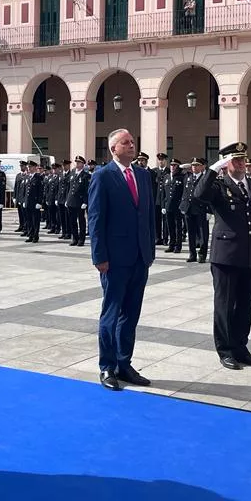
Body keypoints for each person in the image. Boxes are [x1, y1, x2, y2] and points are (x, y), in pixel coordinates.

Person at [88, 128, 155, 391]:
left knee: (131, 314)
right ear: (113, 148)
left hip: (140, 257)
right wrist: (100, 256)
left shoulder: (142, 175)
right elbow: (95, 218)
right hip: (114, 260)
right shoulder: (103, 176)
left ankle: (124, 363)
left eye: (132, 141)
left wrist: (149, 250)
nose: (131, 145)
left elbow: (148, 216)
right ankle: (107, 366)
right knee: (112, 314)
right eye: (125, 142)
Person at [193, 142, 251, 370]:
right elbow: (199, 195)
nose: (241, 164)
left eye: (243, 159)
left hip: (250, 255)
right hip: (225, 256)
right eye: (235, 160)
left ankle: (240, 347)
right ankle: (225, 350)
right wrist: (213, 169)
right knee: (225, 305)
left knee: (246, 304)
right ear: (226, 164)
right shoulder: (217, 186)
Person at [181, 158, 210, 263]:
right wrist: (183, 206)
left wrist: (209, 211)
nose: (194, 167)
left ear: (202, 167)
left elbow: (209, 195)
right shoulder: (188, 177)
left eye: (197, 165)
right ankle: (192, 254)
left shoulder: (206, 178)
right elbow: (184, 192)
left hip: (201, 209)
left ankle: (202, 254)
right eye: (193, 165)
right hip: (189, 209)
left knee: (203, 234)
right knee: (191, 233)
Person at [65, 156, 90, 247]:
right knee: (72, 221)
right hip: (71, 201)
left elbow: (87, 190)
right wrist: (67, 199)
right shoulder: (72, 173)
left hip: (80, 202)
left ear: (83, 164)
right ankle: (74, 238)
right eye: (76, 162)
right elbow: (69, 187)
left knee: (81, 221)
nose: (77, 164)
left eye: (79, 162)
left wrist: (85, 202)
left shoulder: (86, 175)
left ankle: (81, 239)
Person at [161, 159, 185, 253]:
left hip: (177, 206)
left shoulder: (181, 177)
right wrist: (163, 205)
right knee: (169, 226)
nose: (172, 167)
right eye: (171, 165)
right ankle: (171, 244)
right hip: (168, 206)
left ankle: (178, 246)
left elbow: (184, 192)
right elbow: (163, 192)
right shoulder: (166, 177)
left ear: (178, 167)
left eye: (175, 165)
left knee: (178, 227)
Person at [24, 160, 44, 243]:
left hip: (35, 202)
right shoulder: (28, 177)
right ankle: (30, 235)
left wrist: (39, 202)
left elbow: (41, 191)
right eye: (28, 167)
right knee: (29, 220)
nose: (29, 168)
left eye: (31, 167)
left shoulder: (38, 177)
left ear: (35, 168)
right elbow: (26, 190)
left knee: (35, 220)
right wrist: (24, 200)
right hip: (28, 202)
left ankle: (35, 236)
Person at [14, 161, 29, 234]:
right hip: (19, 197)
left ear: (26, 167)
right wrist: (14, 197)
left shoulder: (27, 175)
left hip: (24, 198)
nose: (21, 167)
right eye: (20, 166)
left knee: (25, 214)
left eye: (22, 166)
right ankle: (21, 226)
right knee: (20, 213)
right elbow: (16, 187)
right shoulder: (18, 175)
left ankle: (26, 227)